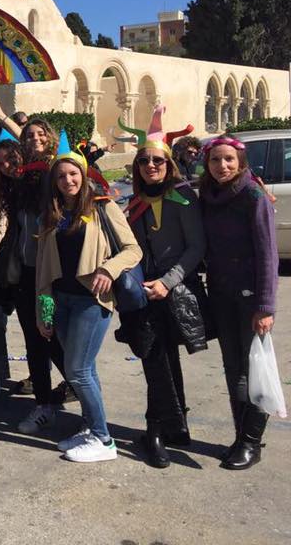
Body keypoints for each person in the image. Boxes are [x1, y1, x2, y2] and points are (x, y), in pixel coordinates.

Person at [35, 133, 142, 463]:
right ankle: (89, 426)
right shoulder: (51, 214)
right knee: (85, 370)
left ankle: (103, 439)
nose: (68, 180)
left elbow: (132, 249)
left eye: (73, 174)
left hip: (91, 301)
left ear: (83, 175)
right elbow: (43, 268)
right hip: (62, 300)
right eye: (61, 176)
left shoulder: (102, 206)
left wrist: (109, 269)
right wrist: (44, 312)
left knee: (77, 370)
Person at [122, 106, 207, 468]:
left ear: (168, 164)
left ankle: (156, 430)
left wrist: (167, 283)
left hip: (174, 291)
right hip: (144, 294)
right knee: (156, 358)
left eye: (157, 160)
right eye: (144, 161)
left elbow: (196, 248)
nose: (150, 166)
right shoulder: (135, 202)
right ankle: (173, 425)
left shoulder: (184, 197)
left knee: (160, 359)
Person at [200, 136, 278, 470]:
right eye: (215, 160)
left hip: (250, 299)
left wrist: (265, 306)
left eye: (229, 159)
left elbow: (268, 254)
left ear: (241, 162)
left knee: (253, 371)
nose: (222, 166)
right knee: (234, 369)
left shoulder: (253, 196)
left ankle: (251, 443)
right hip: (221, 295)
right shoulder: (208, 195)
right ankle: (240, 436)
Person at [10, 117, 71, 431]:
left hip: (52, 275)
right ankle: (43, 404)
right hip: (27, 273)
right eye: (29, 134)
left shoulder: (59, 176)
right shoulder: (22, 181)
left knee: (55, 338)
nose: (34, 138)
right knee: (34, 341)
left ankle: (80, 389)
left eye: (40, 133)